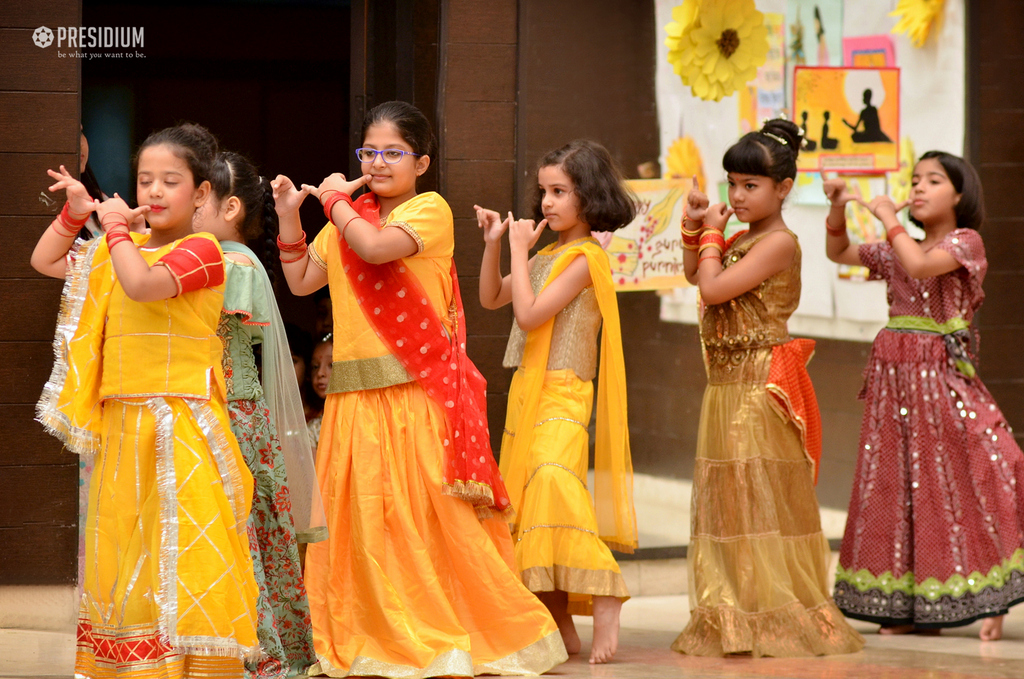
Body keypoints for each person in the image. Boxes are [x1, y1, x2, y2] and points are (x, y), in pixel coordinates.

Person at [270, 100, 567, 677]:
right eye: (369, 152)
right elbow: (304, 279)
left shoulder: (427, 210)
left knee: (431, 521)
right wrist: (289, 216)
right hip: (353, 405)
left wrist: (333, 199)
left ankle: (461, 630)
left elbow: (377, 248)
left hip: (414, 398)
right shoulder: (347, 221)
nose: (378, 163)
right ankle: (372, 635)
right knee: (363, 525)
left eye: (392, 153)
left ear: (421, 161)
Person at [32, 123, 259, 677]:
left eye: (170, 181)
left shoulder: (205, 250)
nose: (154, 191)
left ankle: (193, 668)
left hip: (180, 422)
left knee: (185, 553)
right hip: (122, 426)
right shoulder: (121, 250)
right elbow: (47, 262)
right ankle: (134, 667)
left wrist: (111, 228)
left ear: (202, 194)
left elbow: (142, 285)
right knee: (126, 556)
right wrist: (76, 215)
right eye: (144, 180)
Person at [672, 119, 865, 657]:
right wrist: (695, 226)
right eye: (732, 183)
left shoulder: (779, 242)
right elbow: (695, 272)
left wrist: (710, 233)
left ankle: (770, 617)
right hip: (726, 386)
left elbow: (711, 290)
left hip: (759, 388)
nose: (737, 195)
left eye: (750, 185)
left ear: (783, 188)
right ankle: (733, 614)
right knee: (729, 503)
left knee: (757, 502)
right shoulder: (744, 236)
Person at [825, 152, 1024, 641]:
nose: (917, 188)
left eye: (932, 181)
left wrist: (889, 217)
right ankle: (906, 607)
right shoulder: (900, 245)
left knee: (985, 472)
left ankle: (996, 592)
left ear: (959, 195)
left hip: (942, 381)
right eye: (914, 180)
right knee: (898, 490)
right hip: (894, 387)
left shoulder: (964, 242)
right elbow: (840, 254)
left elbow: (918, 266)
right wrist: (836, 210)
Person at [476, 140, 637, 664]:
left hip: (565, 392)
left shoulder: (586, 258)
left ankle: (606, 589)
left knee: (551, 480)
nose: (546, 202)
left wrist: (521, 254)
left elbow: (529, 316)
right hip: (531, 391)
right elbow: (493, 298)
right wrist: (497, 245)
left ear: (588, 196)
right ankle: (559, 618)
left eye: (560, 191)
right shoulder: (545, 254)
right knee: (526, 505)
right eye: (543, 191)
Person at [194, 150, 327, 677]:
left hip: (231, 413)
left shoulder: (232, 263)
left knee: (239, 531)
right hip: (231, 410)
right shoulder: (221, 257)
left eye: (198, 195)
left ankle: (256, 648)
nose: (188, 203)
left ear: (228, 207)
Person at [306, 334, 333, 453]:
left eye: (331, 365)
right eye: (315, 366)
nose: (320, 373)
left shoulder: (365, 420)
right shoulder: (313, 429)